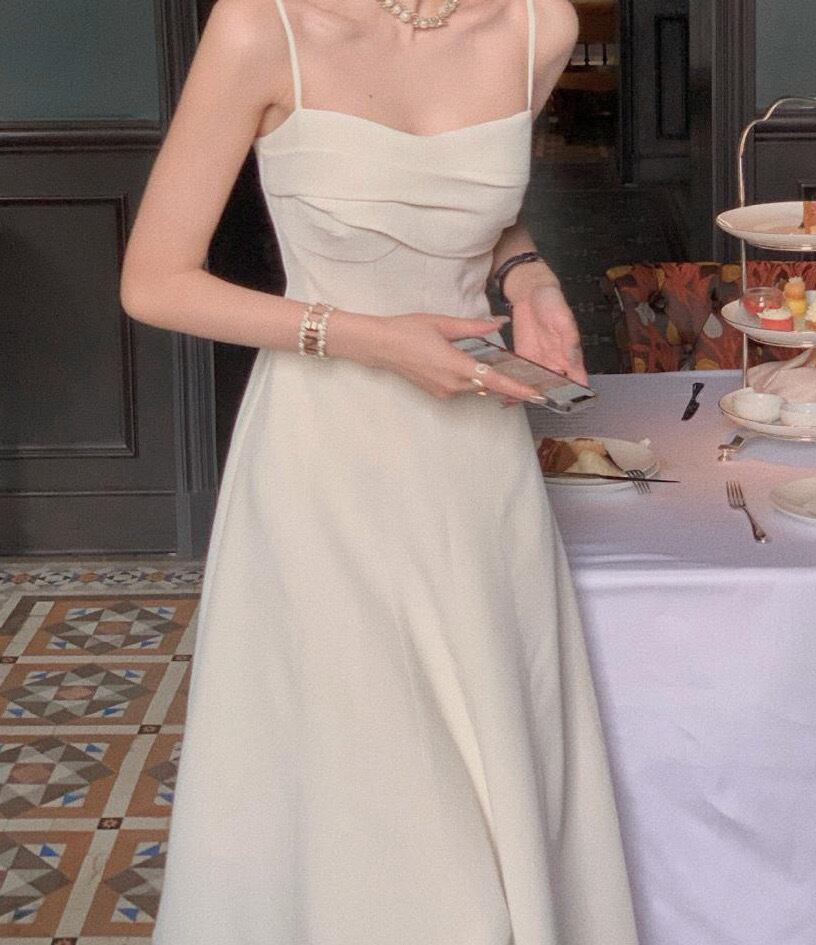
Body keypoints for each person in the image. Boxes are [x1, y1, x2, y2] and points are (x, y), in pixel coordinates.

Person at [120, 0, 639, 941]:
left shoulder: (539, 26)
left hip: (475, 467)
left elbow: (479, 210)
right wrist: (364, 337)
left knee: (487, 774)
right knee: (366, 793)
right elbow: (154, 280)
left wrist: (529, 276)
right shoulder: (263, 26)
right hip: (322, 462)